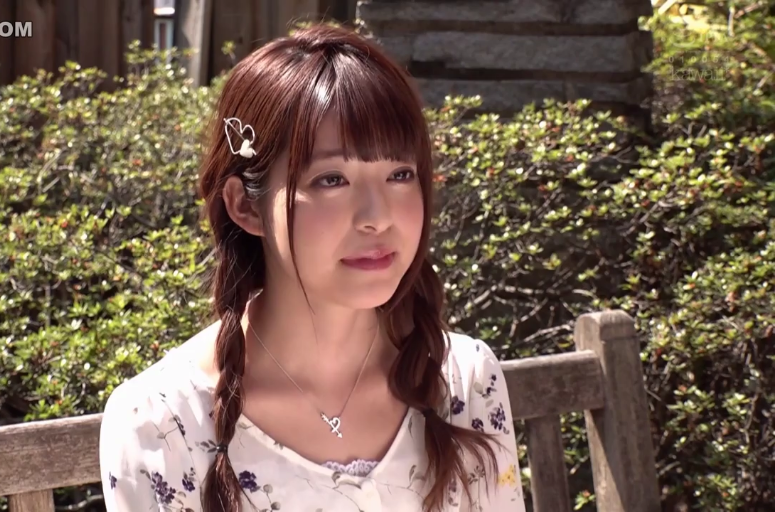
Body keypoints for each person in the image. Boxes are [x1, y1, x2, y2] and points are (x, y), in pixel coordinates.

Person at [99, 23, 523, 512]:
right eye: (332, 179)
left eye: (400, 174)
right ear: (246, 206)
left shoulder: (464, 381)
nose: (377, 217)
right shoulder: (161, 423)